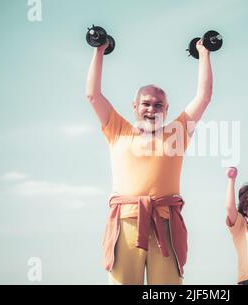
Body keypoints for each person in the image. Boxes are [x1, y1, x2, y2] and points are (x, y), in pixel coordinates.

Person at [85, 37, 214, 284]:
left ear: (166, 109)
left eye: (158, 105)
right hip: (126, 223)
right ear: (135, 106)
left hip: (164, 225)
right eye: (145, 103)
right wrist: (99, 50)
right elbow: (93, 95)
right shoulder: (117, 130)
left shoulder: (177, 133)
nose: (151, 109)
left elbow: (204, 96)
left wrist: (204, 52)